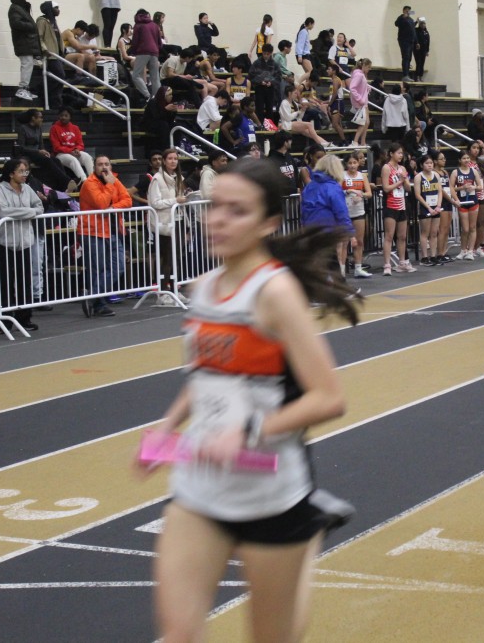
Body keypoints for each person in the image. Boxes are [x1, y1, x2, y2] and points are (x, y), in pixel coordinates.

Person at [139, 156, 356, 642]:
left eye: (237, 211)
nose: (218, 219)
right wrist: (167, 427)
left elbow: (329, 398)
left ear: (268, 223)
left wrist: (249, 432)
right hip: (200, 486)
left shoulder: (275, 293)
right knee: (178, 635)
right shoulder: (202, 289)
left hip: (269, 494)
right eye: (215, 206)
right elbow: (206, 376)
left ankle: (305, 545)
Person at [78, 155, 132, 318]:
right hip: (93, 231)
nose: (104, 167)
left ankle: (91, 296)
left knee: (119, 267)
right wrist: (109, 185)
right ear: (94, 167)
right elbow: (101, 203)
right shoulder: (89, 183)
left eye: (107, 164)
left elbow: (128, 200)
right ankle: (99, 304)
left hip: (113, 231)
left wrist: (113, 208)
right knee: (97, 269)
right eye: (100, 164)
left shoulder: (114, 180)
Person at [0, 158, 43, 331]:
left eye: (26, 171)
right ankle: (6, 320)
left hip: (26, 241)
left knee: (25, 281)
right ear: (11, 173)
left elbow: (39, 207)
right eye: (21, 171)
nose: (24, 174)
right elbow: (3, 211)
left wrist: (26, 212)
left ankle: (25, 318)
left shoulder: (27, 188)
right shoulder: (1, 189)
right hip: (6, 242)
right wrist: (29, 212)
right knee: (6, 282)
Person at [301, 154, 355, 277]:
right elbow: (341, 211)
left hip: (311, 230)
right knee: (331, 264)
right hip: (327, 231)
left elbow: (303, 209)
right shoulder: (333, 187)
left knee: (319, 265)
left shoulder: (310, 186)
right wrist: (350, 232)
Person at [148, 149, 190, 303]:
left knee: (176, 258)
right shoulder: (157, 179)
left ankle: (174, 290)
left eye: (175, 159)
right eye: (170, 159)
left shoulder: (179, 178)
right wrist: (175, 201)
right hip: (164, 223)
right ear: (164, 161)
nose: (173, 161)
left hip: (178, 220)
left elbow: (180, 198)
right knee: (167, 258)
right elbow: (155, 203)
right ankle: (164, 292)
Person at [15, 108, 74, 192]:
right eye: (40, 117)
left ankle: (63, 187)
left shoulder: (38, 128)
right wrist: (38, 151)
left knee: (56, 160)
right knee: (47, 160)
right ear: (33, 118)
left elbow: (41, 144)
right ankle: (67, 181)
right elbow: (21, 147)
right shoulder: (23, 128)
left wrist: (44, 151)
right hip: (28, 154)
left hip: (38, 154)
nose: (42, 119)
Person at [380, 142, 415, 275]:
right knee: (389, 236)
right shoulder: (386, 168)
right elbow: (386, 188)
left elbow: (408, 188)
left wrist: (404, 180)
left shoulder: (402, 168)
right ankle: (387, 264)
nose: (401, 155)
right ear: (391, 154)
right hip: (390, 204)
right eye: (399, 153)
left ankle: (402, 262)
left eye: (402, 153)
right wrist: (400, 181)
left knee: (402, 236)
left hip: (402, 204)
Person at [8, 0, 40, 101]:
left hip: (26, 42)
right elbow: (15, 23)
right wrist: (32, 26)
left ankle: (25, 89)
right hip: (23, 42)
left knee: (29, 65)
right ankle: (22, 89)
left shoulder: (21, 8)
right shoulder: (15, 8)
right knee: (26, 64)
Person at [342, 153, 371, 277]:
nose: (352, 165)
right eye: (350, 163)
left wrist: (361, 195)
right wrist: (347, 191)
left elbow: (369, 193)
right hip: (345, 213)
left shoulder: (362, 176)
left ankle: (358, 268)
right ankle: (342, 270)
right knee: (344, 243)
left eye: (354, 163)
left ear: (358, 163)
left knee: (359, 241)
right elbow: (337, 191)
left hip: (359, 212)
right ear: (346, 164)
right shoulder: (342, 175)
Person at [50, 107, 94, 182]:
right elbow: (56, 147)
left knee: (87, 157)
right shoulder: (54, 128)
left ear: (70, 117)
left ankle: (94, 179)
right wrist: (70, 151)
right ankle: (84, 181)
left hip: (74, 152)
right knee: (73, 159)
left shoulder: (75, 128)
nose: (63, 117)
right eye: (61, 115)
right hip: (60, 154)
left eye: (66, 115)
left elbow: (80, 144)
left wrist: (77, 149)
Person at [413, 153, 443, 264]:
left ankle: (433, 255)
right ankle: (424, 257)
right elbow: (418, 195)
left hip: (436, 206)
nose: (430, 165)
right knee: (425, 232)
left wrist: (438, 205)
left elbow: (440, 191)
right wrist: (428, 208)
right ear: (422, 165)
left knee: (434, 232)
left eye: (431, 163)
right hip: (425, 207)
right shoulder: (418, 177)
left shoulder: (436, 175)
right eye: (427, 163)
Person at [35, 2, 65, 110]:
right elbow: (39, 37)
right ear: (50, 9)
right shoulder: (42, 21)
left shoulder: (53, 22)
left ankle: (55, 102)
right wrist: (44, 49)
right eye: (56, 7)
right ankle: (42, 92)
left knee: (59, 80)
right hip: (49, 55)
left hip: (57, 55)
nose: (58, 10)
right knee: (60, 76)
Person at [130, 8, 162, 104]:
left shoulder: (138, 25)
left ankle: (147, 95)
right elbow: (159, 41)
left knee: (135, 75)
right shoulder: (154, 25)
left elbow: (135, 40)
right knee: (155, 77)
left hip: (143, 51)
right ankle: (158, 99)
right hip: (154, 52)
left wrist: (133, 51)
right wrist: (157, 49)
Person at [141, 87, 182, 157]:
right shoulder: (153, 102)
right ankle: (166, 150)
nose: (171, 96)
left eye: (171, 94)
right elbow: (156, 117)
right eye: (169, 95)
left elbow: (170, 120)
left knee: (176, 126)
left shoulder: (168, 103)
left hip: (162, 124)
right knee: (164, 125)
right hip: (150, 124)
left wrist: (174, 112)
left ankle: (176, 149)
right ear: (163, 95)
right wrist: (165, 109)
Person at [249, 44, 280, 125]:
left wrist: (271, 82)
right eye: (264, 53)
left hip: (270, 89)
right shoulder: (256, 63)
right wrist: (260, 81)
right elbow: (251, 75)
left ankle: (270, 125)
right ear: (262, 52)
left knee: (270, 108)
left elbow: (278, 77)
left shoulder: (275, 64)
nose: (266, 55)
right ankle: (260, 125)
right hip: (259, 88)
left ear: (271, 53)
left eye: (268, 54)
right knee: (259, 108)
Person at [349, 58, 371, 147]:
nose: (369, 69)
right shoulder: (359, 75)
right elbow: (352, 88)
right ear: (364, 66)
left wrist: (367, 87)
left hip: (364, 101)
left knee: (367, 122)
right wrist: (360, 99)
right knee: (364, 122)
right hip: (361, 102)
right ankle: (355, 141)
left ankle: (362, 141)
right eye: (368, 67)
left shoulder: (361, 74)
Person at [394, 5, 416, 82]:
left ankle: (407, 75)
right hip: (404, 40)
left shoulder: (411, 19)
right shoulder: (401, 17)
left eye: (409, 10)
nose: (408, 11)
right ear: (403, 10)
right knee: (406, 57)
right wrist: (403, 17)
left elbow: (412, 29)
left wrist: (416, 42)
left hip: (411, 41)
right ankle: (405, 75)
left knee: (409, 58)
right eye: (406, 10)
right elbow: (396, 23)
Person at [413, 17, 430, 83]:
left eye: (424, 23)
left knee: (422, 63)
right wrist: (416, 21)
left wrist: (427, 51)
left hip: (423, 50)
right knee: (418, 63)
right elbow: (412, 28)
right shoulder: (416, 30)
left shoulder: (426, 32)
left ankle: (420, 76)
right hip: (417, 50)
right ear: (419, 24)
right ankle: (417, 76)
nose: (423, 25)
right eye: (422, 24)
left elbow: (428, 42)